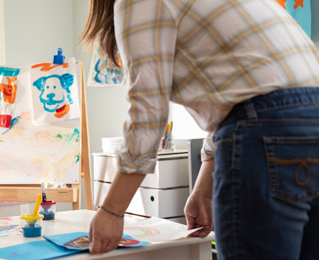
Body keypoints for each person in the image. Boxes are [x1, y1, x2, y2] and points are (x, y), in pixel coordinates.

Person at [80, 0, 319, 258]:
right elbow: (253, 95)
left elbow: (148, 111)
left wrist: (112, 211)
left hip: (260, 133)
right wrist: (203, 190)